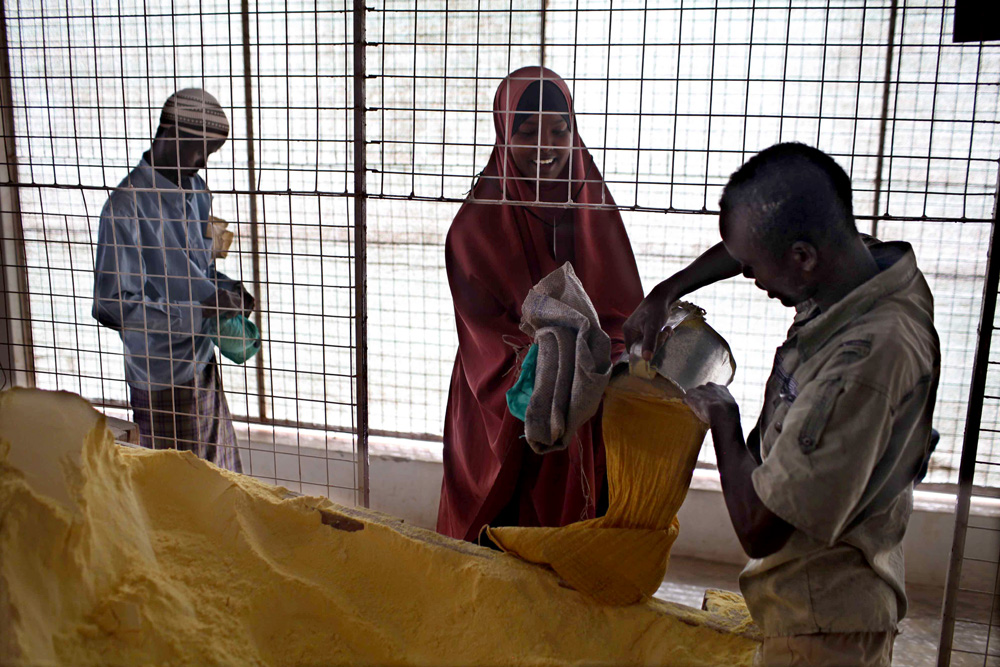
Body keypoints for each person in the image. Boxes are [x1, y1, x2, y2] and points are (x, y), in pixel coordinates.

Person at [625, 142, 940, 665]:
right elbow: (747, 244)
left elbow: (760, 528)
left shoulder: (859, 365)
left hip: (823, 626)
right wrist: (666, 291)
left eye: (755, 269)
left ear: (803, 257)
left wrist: (724, 421)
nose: (751, 278)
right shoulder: (864, 270)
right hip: (816, 609)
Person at [436, 67, 644, 542]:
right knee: (500, 529)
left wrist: (606, 356)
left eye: (559, 130)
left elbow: (622, 306)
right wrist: (552, 362)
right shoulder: (475, 226)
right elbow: (485, 336)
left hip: (590, 393)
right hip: (506, 391)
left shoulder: (592, 204)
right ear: (502, 133)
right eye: (527, 132)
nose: (546, 146)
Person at [93, 88, 252, 473]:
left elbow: (201, 266)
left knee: (223, 475)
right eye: (199, 150)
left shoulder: (197, 192)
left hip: (203, 360)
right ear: (171, 133)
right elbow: (112, 306)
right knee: (183, 489)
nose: (203, 162)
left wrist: (228, 290)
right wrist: (196, 314)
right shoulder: (125, 207)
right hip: (162, 377)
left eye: (210, 154)